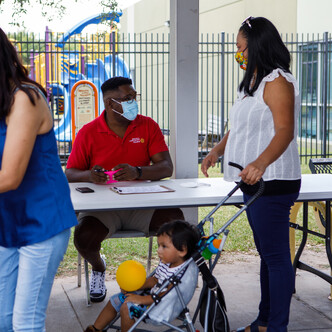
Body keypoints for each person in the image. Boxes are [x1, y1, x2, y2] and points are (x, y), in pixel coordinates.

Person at [201, 17, 301, 332]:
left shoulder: (278, 82)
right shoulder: (254, 80)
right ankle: (264, 321)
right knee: (267, 255)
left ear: (255, 45)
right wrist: (218, 148)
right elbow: (241, 124)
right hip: (253, 180)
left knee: (276, 258)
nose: (237, 52)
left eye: (240, 46)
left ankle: (276, 327)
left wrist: (260, 162)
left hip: (272, 181)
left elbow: (285, 131)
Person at [65, 76, 184, 303]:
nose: (133, 103)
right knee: (84, 237)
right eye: (127, 99)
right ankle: (99, 268)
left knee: (175, 223)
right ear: (110, 104)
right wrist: (89, 175)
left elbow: (166, 167)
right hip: (102, 209)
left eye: (134, 97)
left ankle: (160, 279)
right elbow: (70, 173)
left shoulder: (147, 125)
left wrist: (138, 172)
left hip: (143, 205)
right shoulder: (88, 132)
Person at [0, 28, 77, 332]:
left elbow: (10, 176)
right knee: (3, 321)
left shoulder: (25, 98)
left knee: (25, 323)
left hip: (42, 222)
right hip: (8, 223)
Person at [83, 220, 200, 332]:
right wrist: (135, 286)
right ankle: (95, 329)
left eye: (164, 246)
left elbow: (166, 296)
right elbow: (155, 279)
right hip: (152, 297)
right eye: (158, 245)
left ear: (182, 250)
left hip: (159, 309)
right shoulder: (167, 262)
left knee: (126, 307)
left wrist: (142, 299)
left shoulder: (182, 273)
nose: (159, 251)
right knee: (116, 299)